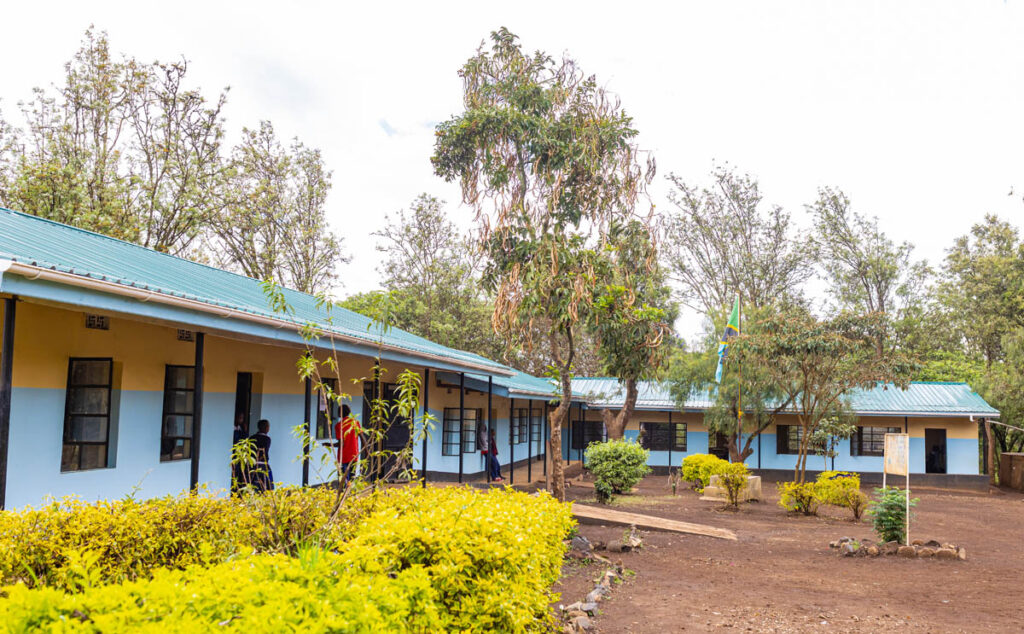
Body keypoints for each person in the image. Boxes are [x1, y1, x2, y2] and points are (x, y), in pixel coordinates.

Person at [333, 404, 361, 485]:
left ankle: (344, 495)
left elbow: (341, 444)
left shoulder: (338, 425)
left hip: (343, 456)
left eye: (338, 411)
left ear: (341, 413)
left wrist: (330, 444)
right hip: (354, 455)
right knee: (352, 478)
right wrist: (366, 450)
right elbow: (362, 437)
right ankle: (350, 494)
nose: (337, 413)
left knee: (343, 479)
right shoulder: (355, 422)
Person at [249, 419, 274, 492]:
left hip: (252, 464)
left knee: (253, 484)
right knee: (267, 486)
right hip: (263, 465)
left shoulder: (252, 438)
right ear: (266, 428)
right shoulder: (267, 439)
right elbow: (264, 452)